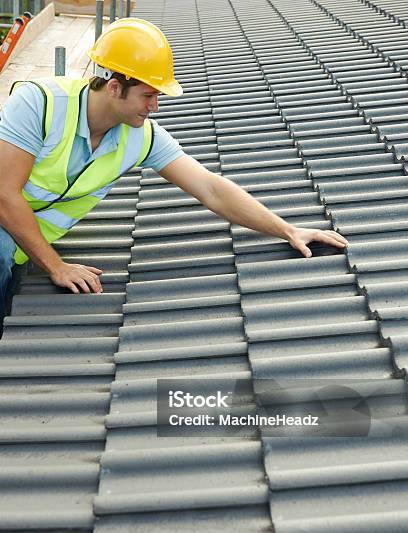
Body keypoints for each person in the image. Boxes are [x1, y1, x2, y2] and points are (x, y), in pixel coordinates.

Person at [0, 18, 348, 323]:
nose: (154, 107)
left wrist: (287, 230)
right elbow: (4, 195)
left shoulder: (141, 137)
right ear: (115, 87)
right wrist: (57, 267)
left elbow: (211, 188)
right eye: (148, 95)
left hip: (24, 246)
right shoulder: (39, 104)